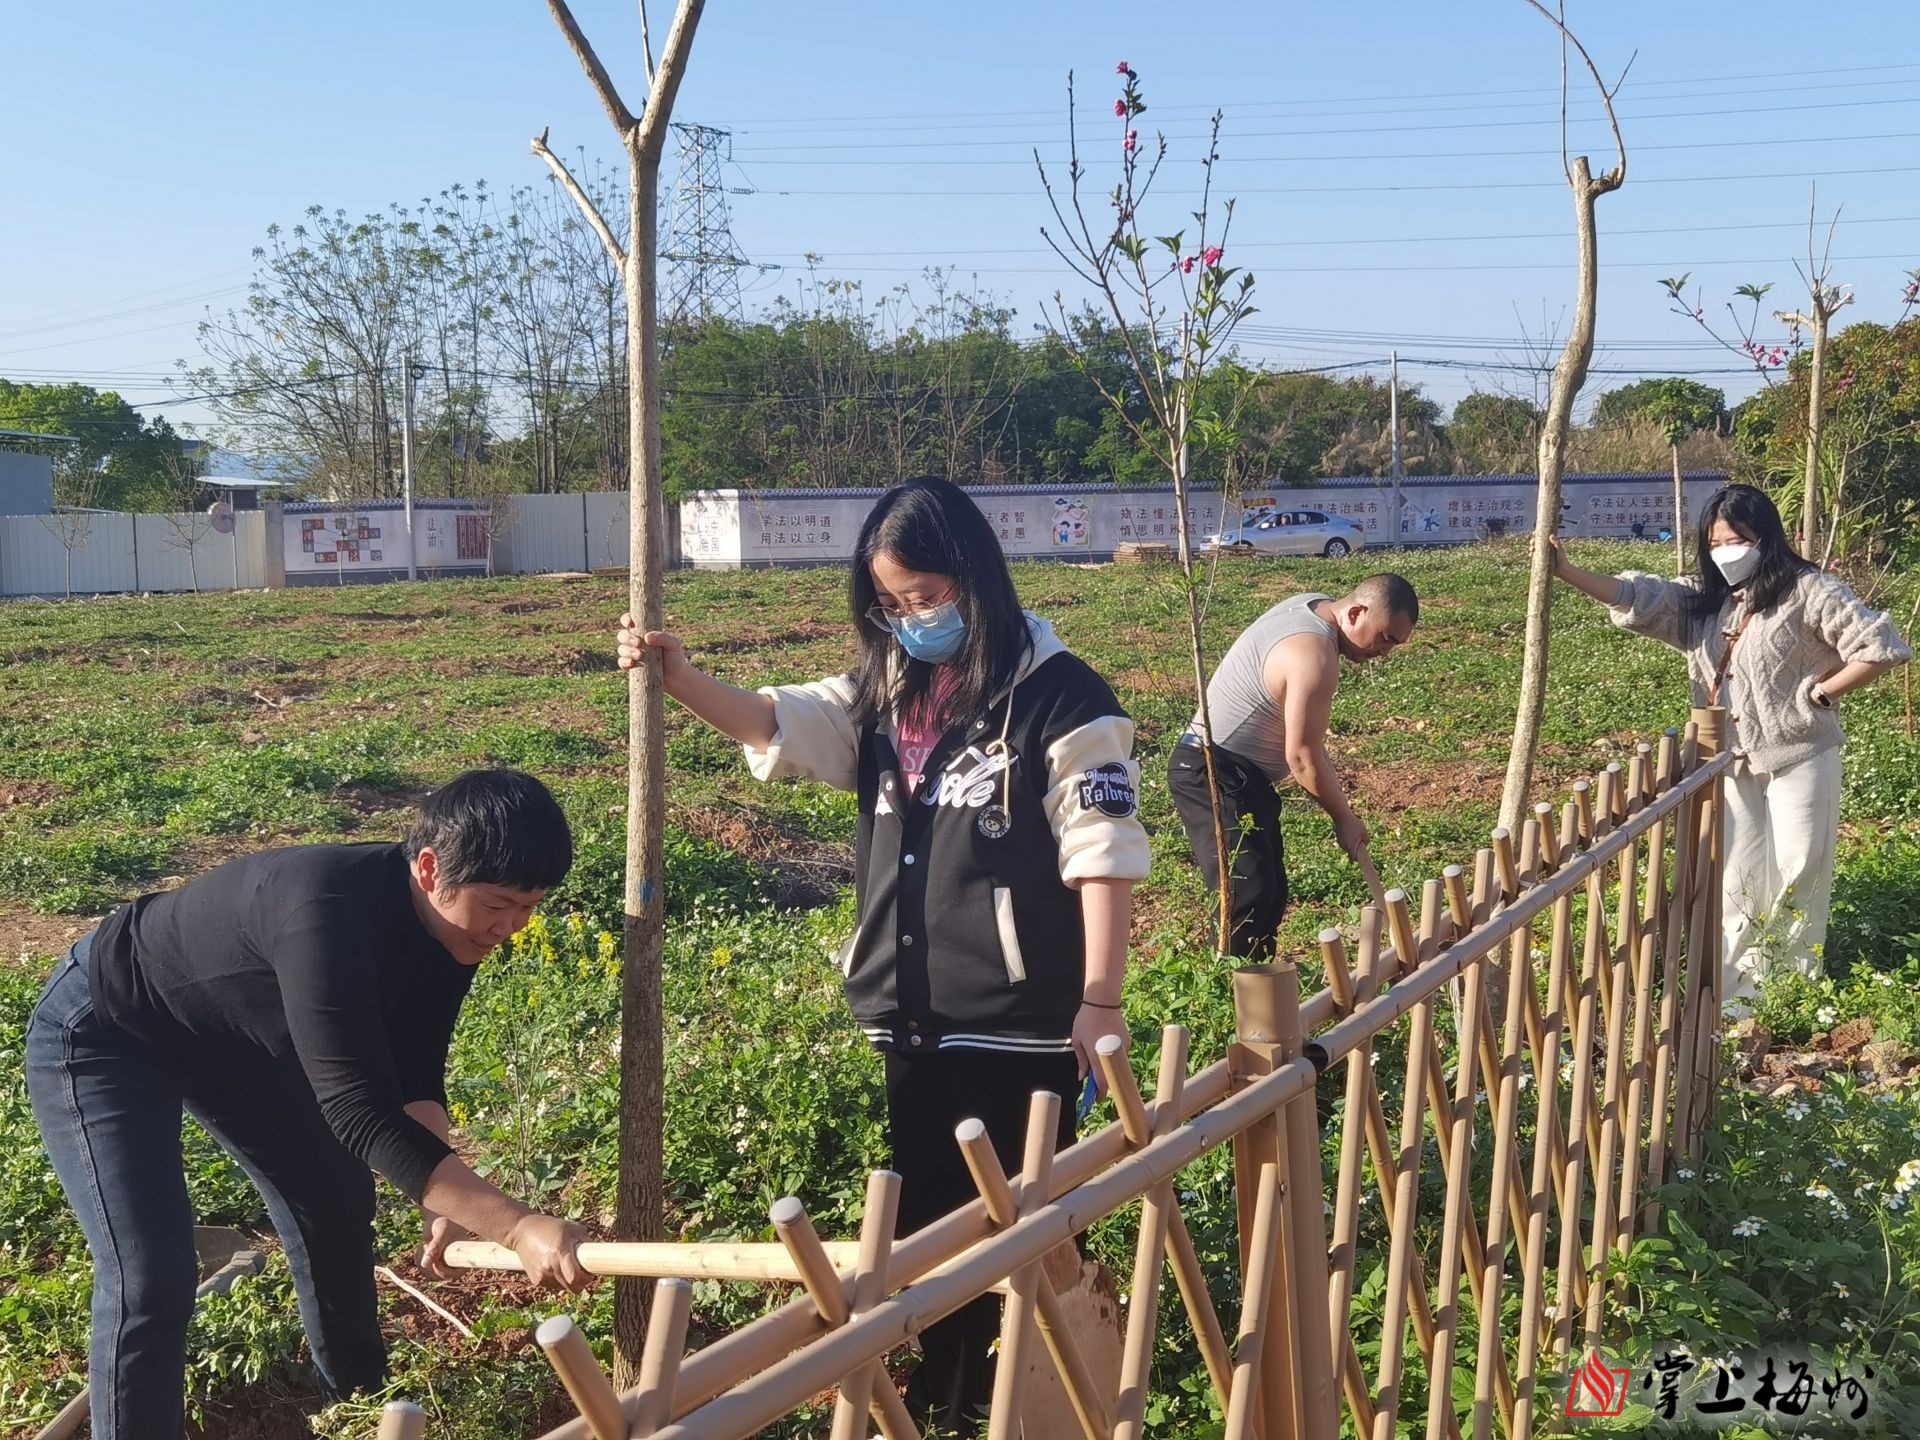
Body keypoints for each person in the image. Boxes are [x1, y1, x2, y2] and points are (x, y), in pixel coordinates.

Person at [616, 476, 1149, 1429]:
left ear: (976, 581)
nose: (911, 620)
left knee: (1018, 1237)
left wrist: (1100, 1000)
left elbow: (1102, 855)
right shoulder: (890, 688)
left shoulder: (1062, 697)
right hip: (911, 1020)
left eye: (927, 598)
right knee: (929, 1233)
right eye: (892, 604)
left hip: (1020, 1024)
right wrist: (680, 677)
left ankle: (1013, 1402)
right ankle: (943, 1402)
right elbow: (782, 723)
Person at [25, 769, 594, 1440]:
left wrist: (441, 1194)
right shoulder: (323, 910)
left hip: (230, 1038)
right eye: (500, 903)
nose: (512, 926)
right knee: (151, 1270)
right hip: (107, 1027)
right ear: (430, 867)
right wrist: (516, 1225)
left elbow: (413, 1072)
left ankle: (358, 1414)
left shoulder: (454, 928)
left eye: (530, 906)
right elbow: (359, 1111)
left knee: (334, 1199)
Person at [1545, 483, 1911, 1006]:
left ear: (1765, 537)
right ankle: (1739, 997)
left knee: (1798, 868)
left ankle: (1787, 991)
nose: (1726, 553)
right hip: (1730, 757)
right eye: (1715, 543)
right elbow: (1637, 596)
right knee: (1738, 874)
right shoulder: (1704, 599)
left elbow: (1881, 646)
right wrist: (1568, 571)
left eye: (1737, 539)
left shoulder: (1811, 590)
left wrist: (1825, 693)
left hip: (1801, 754)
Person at [1168, 575, 1419, 961]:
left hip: (1242, 775)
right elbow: (1302, 757)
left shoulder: (1313, 605)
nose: (1384, 653)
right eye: (1385, 638)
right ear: (1355, 612)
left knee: (1269, 890)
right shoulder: (1315, 654)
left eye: (1395, 645)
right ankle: (1229, 996)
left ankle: (1263, 994)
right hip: (1210, 768)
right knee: (1245, 892)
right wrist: (1344, 818)